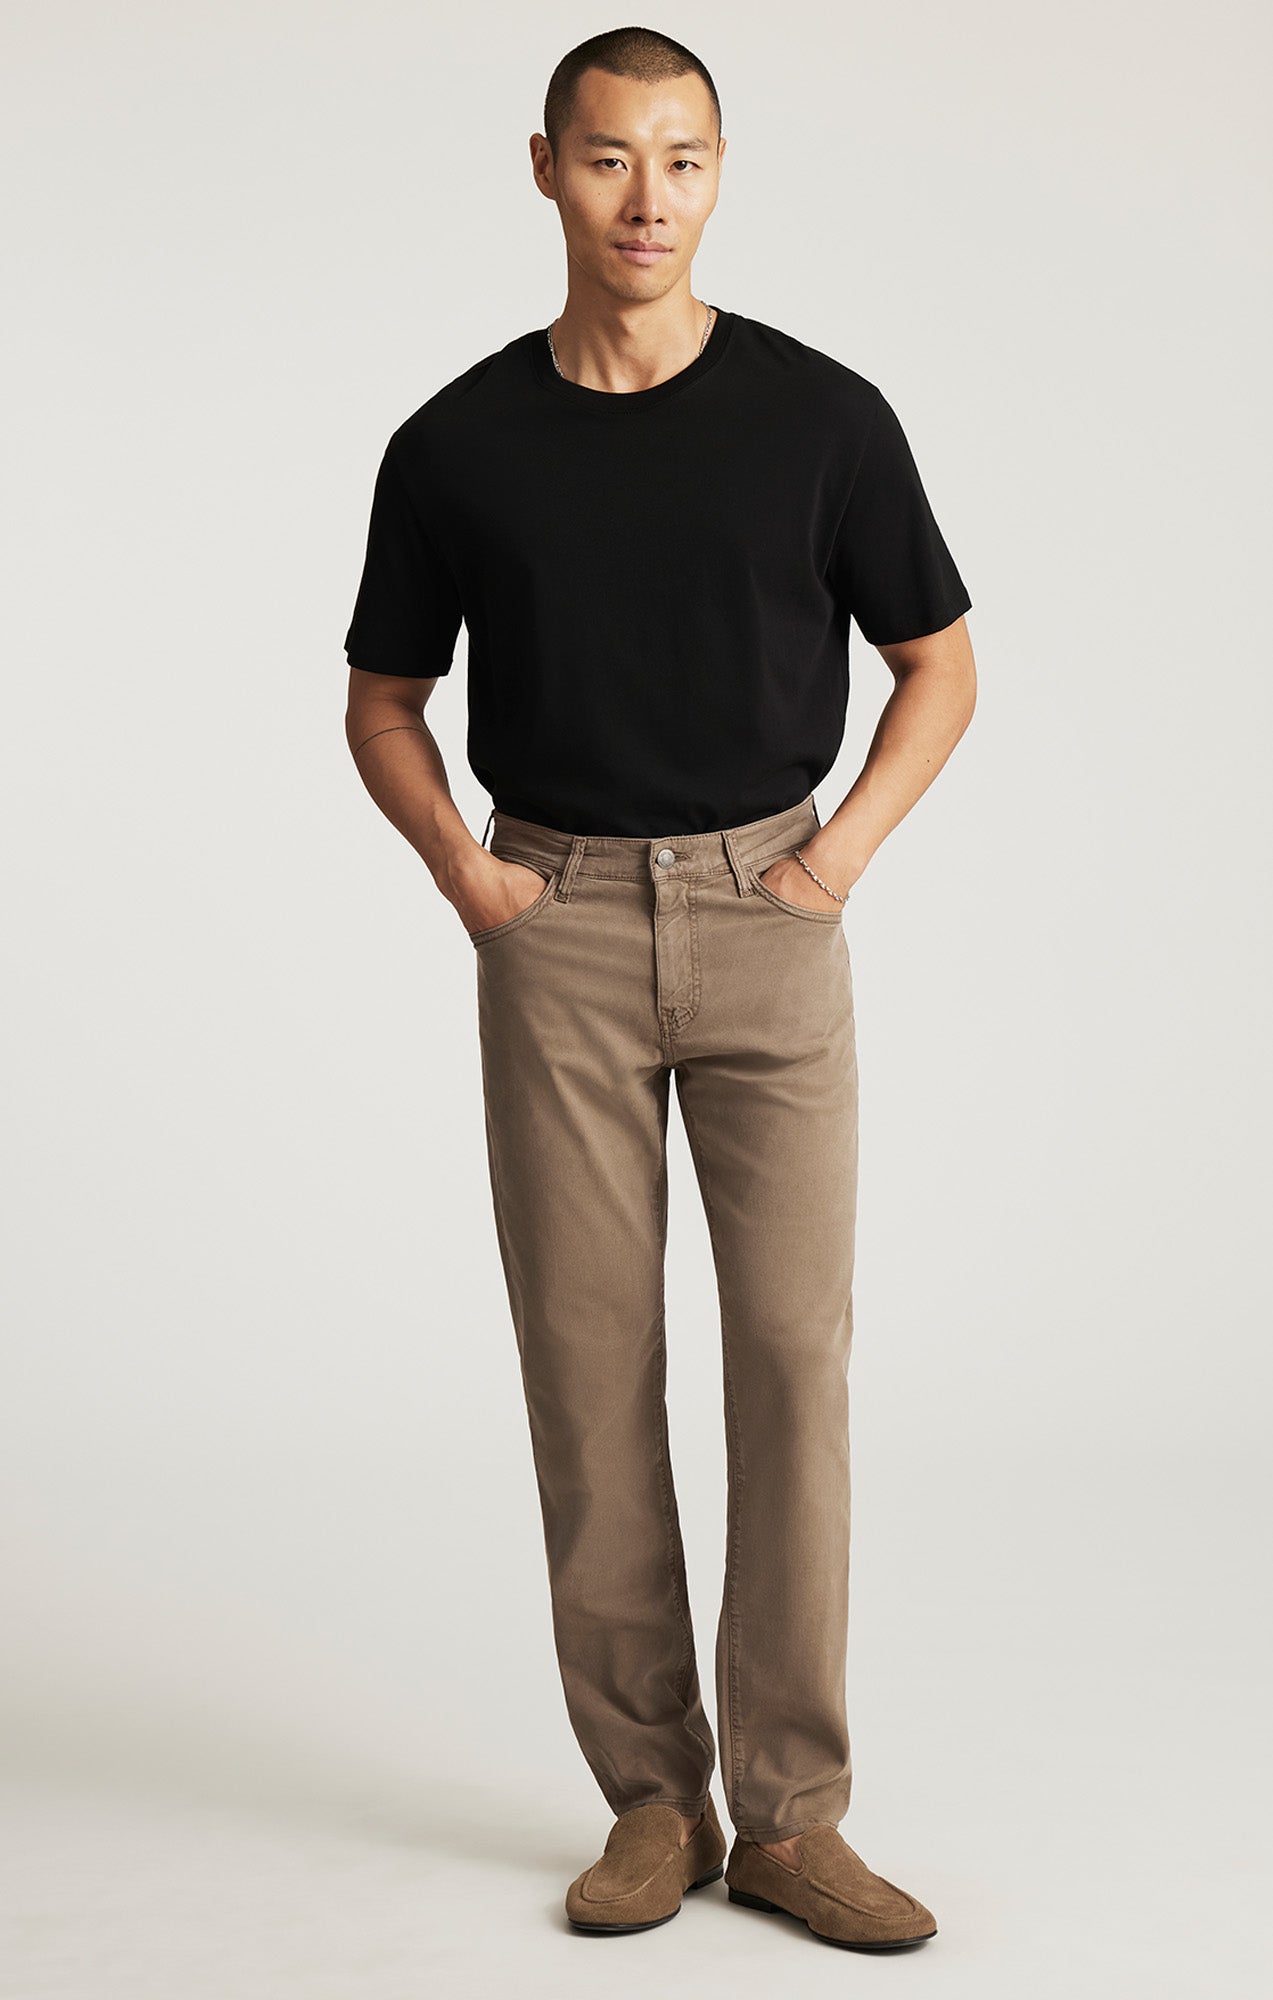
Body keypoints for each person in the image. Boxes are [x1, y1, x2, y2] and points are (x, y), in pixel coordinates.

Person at [343, 25, 975, 1953]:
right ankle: (648, 1802)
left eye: (681, 160)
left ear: (719, 172)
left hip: (769, 910)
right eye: (610, 158)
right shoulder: (456, 443)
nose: (647, 199)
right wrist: (471, 879)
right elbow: (383, 701)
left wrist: (831, 865)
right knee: (587, 1368)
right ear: (545, 166)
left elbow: (939, 663)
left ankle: (790, 1818)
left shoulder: (822, 418)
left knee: (789, 1361)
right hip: (555, 929)